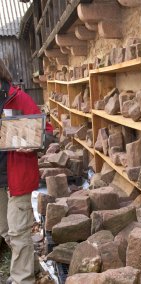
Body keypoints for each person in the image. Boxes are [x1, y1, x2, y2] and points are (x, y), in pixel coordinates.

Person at [0, 59, 52, 284]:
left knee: (18, 232)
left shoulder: (18, 98)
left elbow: (48, 133)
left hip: (17, 177)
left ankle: (23, 279)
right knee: (6, 231)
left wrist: (34, 141)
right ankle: (30, 266)